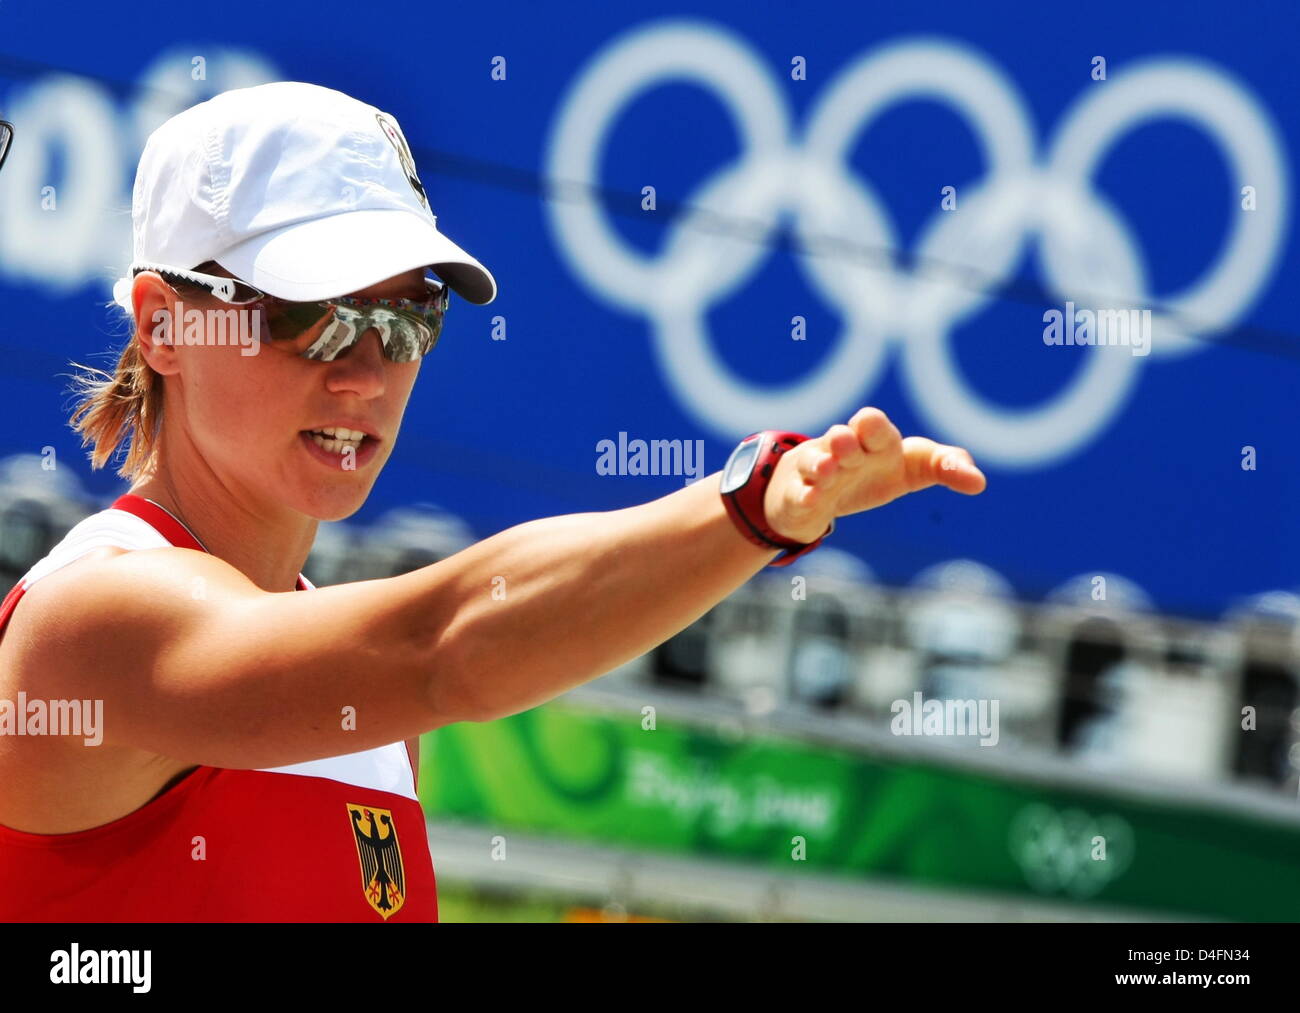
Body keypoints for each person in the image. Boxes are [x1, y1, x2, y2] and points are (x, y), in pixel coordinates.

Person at [0, 81, 986, 922]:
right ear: (164, 326)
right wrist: (749, 508)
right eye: (310, 314)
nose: (367, 372)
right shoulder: (94, 622)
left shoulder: (368, 708)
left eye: (407, 313)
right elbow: (447, 647)